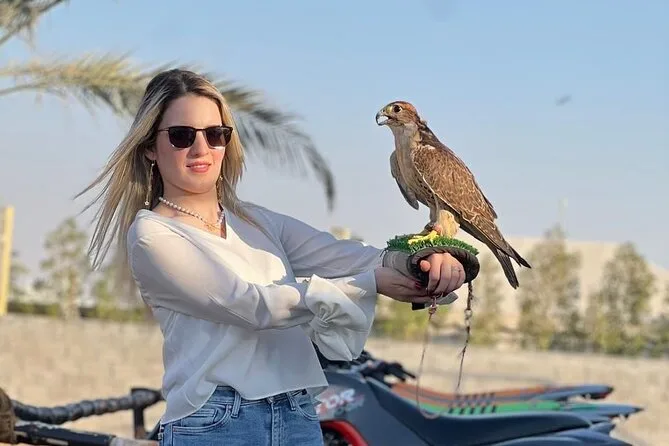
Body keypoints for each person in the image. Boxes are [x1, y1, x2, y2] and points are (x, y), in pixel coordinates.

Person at [78, 69, 468, 446]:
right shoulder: (152, 235)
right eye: (182, 136)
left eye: (215, 134)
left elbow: (350, 257)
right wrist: (370, 283)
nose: (202, 148)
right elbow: (252, 306)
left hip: (299, 415)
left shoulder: (256, 221)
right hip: (216, 425)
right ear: (150, 146)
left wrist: (424, 263)